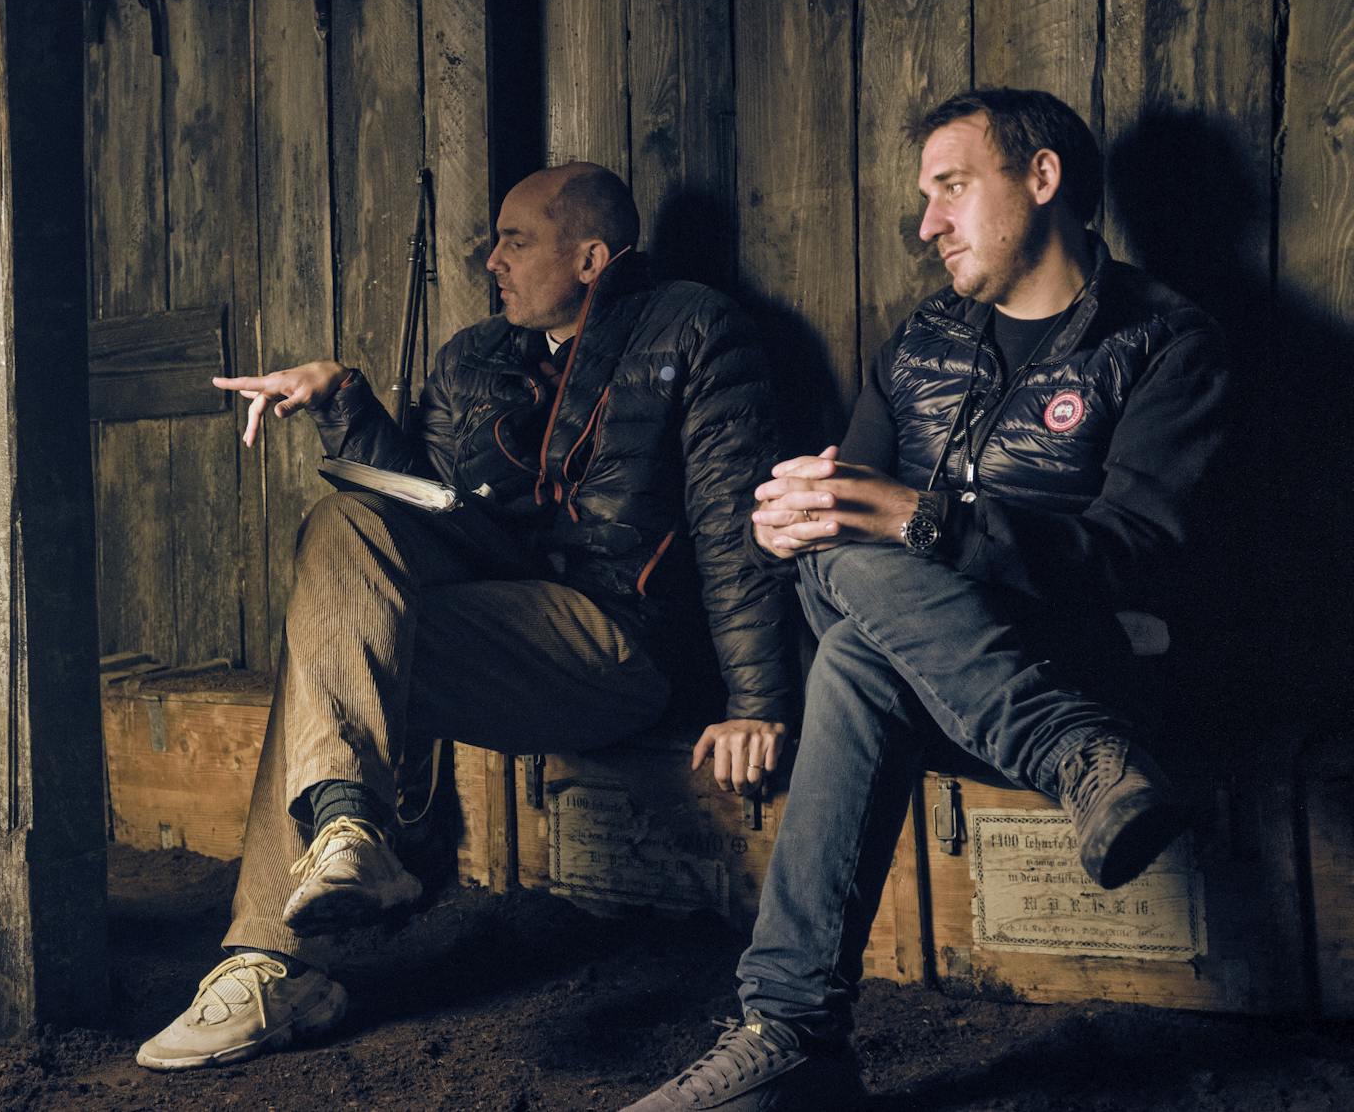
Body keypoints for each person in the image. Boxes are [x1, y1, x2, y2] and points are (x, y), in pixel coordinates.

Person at [624, 89, 1233, 1111]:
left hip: (1091, 664)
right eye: (924, 197)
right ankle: (1068, 752)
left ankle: (789, 1033)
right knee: (839, 570)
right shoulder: (921, 343)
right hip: (1018, 718)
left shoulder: (1166, 343)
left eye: (951, 187)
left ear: (1041, 181)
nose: (926, 224)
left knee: (861, 654)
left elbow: (1138, 556)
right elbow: (843, 529)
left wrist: (924, 519)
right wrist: (782, 525)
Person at [135, 163, 798, 1071]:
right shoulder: (477, 358)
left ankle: (270, 957)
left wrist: (757, 697)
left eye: (516, 240)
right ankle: (338, 840)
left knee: (321, 653)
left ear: (593, 257)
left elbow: (734, 520)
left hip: (613, 646)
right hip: (501, 626)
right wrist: (345, 405)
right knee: (340, 531)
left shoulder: (695, 329)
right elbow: (429, 506)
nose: (491, 259)